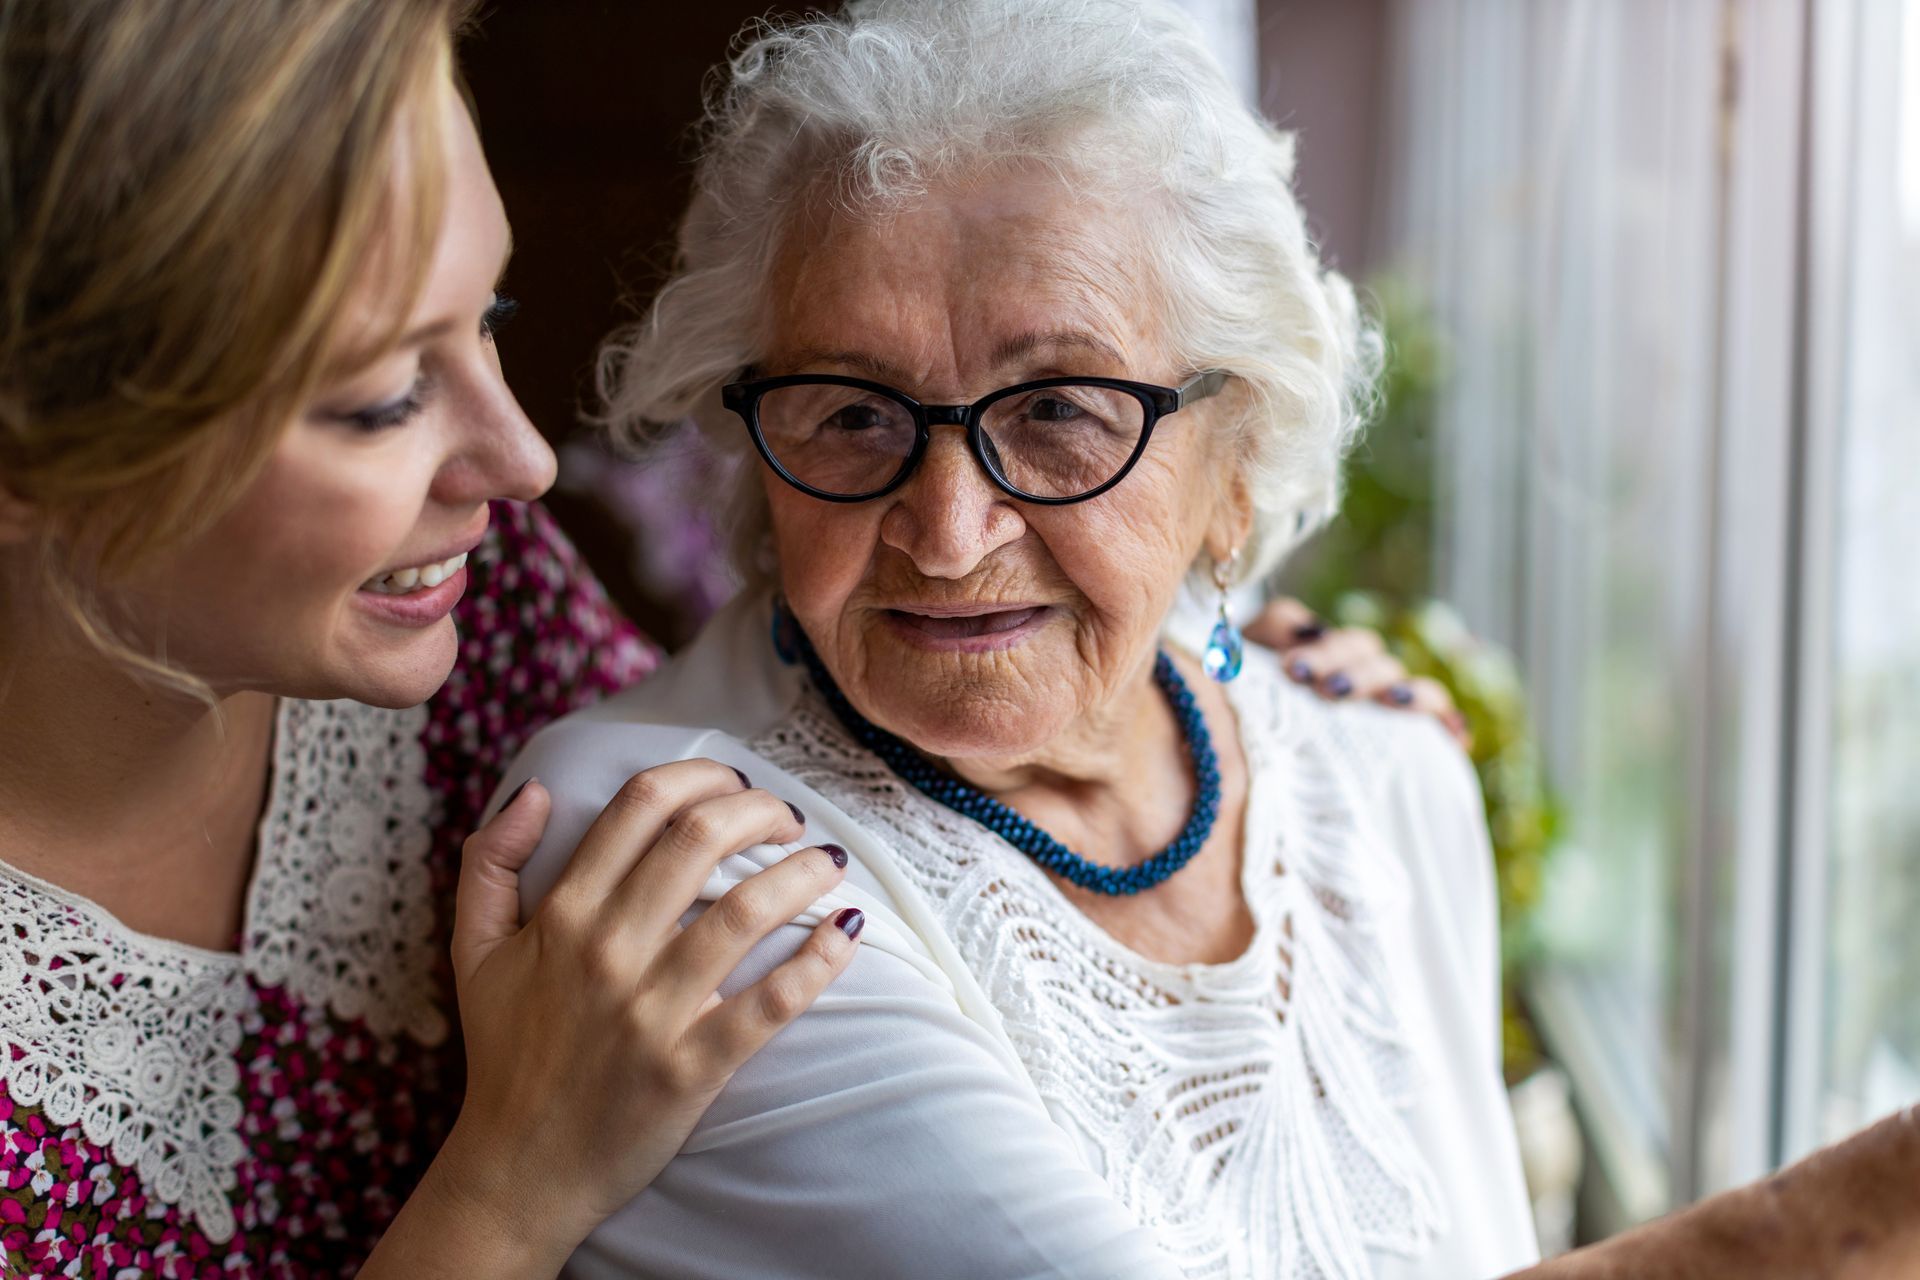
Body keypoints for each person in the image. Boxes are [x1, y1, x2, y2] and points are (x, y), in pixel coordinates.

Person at [0, 2, 1428, 1274]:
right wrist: (507, 1192)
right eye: (380, 398)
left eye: (486, 321)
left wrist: (1182, 618)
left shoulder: (453, 611)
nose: (520, 460)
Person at [507, 1, 1535, 1275]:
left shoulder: (1385, 780)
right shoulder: (669, 846)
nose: (944, 531)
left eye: (1058, 407)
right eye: (852, 413)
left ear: (1235, 463)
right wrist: (1810, 1223)